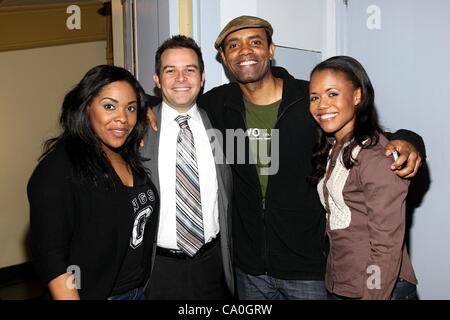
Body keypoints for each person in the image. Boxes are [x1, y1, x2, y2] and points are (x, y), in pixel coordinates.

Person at [147, 16, 424, 300]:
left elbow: (361, 127)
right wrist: (144, 108)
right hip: (249, 272)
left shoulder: (310, 99)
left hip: (309, 271)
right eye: (233, 45)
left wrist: (410, 141)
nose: (244, 51)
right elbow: (171, 99)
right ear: (223, 57)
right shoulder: (217, 105)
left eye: (255, 42)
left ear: (271, 50)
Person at [27, 65, 159, 300]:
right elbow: (52, 259)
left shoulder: (121, 150)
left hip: (138, 291)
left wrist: (146, 105)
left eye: (130, 108)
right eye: (109, 106)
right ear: (86, 106)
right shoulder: (58, 170)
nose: (122, 118)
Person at [309, 55, 418, 299]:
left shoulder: (375, 155)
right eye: (314, 97)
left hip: (378, 288)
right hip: (342, 284)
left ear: (357, 96)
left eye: (332, 94)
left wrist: (373, 294)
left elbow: (386, 245)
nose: (321, 104)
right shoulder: (332, 147)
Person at [141, 35, 234, 299]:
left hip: (214, 266)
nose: (181, 78)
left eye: (189, 70)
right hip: (157, 270)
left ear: (202, 77)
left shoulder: (219, 123)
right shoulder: (137, 129)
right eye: (170, 70)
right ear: (157, 80)